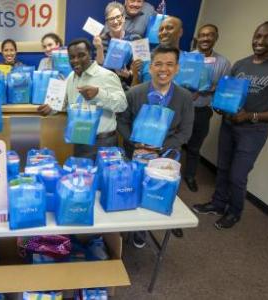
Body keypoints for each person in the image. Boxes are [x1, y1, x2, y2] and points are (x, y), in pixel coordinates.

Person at [193, 21, 268, 230]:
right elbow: (227, 93)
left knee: (238, 175)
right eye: (258, 35)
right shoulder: (241, 64)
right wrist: (220, 106)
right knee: (222, 167)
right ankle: (217, 203)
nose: (260, 41)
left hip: (253, 130)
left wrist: (251, 115)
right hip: (229, 124)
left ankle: (234, 212)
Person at [118, 45, 194, 247]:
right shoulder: (134, 93)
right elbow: (122, 122)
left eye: (169, 64)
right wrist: (134, 142)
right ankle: (133, 228)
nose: (163, 69)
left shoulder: (185, 98)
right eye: (158, 64)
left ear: (177, 68)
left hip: (165, 157)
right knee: (132, 190)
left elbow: (185, 132)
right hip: (135, 152)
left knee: (155, 195)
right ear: (150, 68)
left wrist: (160, 149)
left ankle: (149, 225)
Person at [37, 38, 127, 160]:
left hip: (103, 143)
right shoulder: (70, 77)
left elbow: (122, 104)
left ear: (90, 54)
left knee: (103, 179)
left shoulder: (106, 75)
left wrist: (98, 94)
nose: (75, 60)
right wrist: (51, 108)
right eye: (72, 57)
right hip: (79, 140)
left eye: (81, 55)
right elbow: (65, 103)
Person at [183, 24, 231, 192]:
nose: (205, 38)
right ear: (198, 37)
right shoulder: (187, 57)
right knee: (174, 142)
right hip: (183, 109)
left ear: (216, 38)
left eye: (210, 35)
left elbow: (225, 89)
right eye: (202, 35)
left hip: (203, 111)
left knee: (195, 146)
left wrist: (211, 88)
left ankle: (189, 175)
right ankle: (166, 171)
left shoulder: (224, 63)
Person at [130, 16, 183, 86]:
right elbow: (135, 92)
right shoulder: (145, 59)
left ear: (180, 32)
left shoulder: (189, 61)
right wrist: (135, 75)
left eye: (169, 28)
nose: (163, 32)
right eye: (161, 30)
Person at [93, 1, 131, 89]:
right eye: (111, 19)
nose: (115, 21)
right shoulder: (101, 40)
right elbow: (98, 69)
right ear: (107, 22)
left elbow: (140, 69)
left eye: (118, 17)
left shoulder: (134, 38)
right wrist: (99, 48)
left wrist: (128, 74)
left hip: (128, 87)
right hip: (106, 87)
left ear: (124, 17)